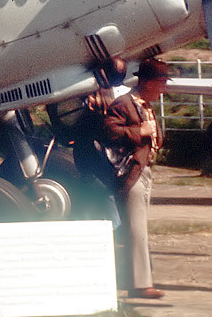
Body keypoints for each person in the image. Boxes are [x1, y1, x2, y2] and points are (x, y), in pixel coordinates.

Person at [73, 57, 171, 299]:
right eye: (161, 82)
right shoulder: (124, 104)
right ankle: (140, 285)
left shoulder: (142, 104)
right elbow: (109, 131)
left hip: (143, 171)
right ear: (148, 83)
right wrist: (140, 132)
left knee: (138, 229)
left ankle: (137, 281)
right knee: (136, 230)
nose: (164, 88)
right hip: (131, 173)